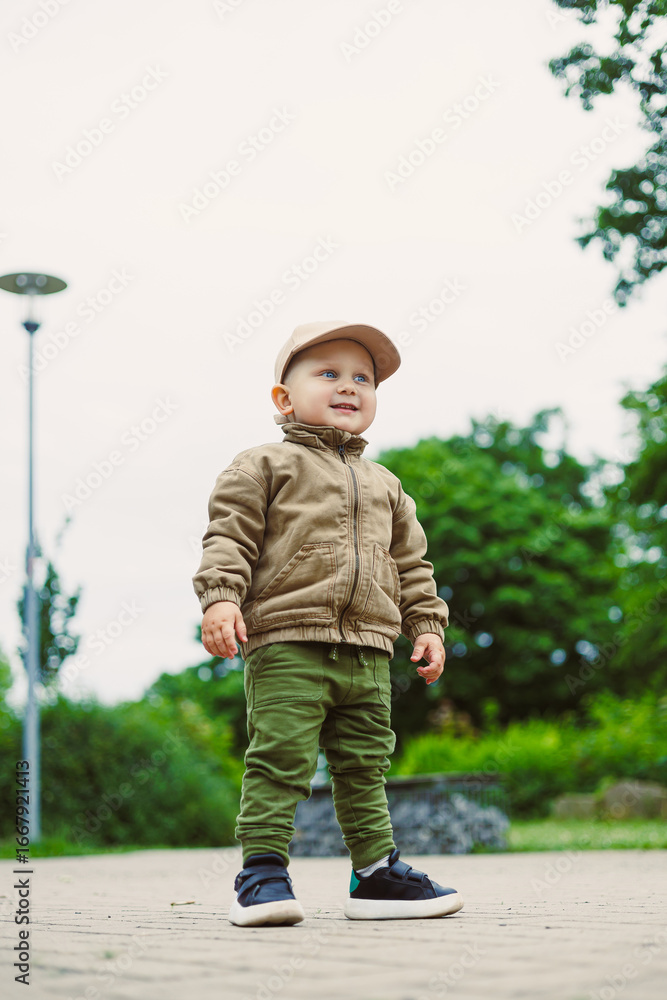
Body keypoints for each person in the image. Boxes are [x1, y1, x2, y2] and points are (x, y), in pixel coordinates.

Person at [192, 320, 464, 926]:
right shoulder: (263, 465)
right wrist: (221, 598)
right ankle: (262, 872)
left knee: (366, 765)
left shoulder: (387, 485)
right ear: (284, 397)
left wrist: (426, 624)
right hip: (288, 640)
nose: (349, 386)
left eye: (363, 378)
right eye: (329, 373)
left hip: (369, 650)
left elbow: (412, 564)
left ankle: (375, 875)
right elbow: (229, 537)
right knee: (281, 759)